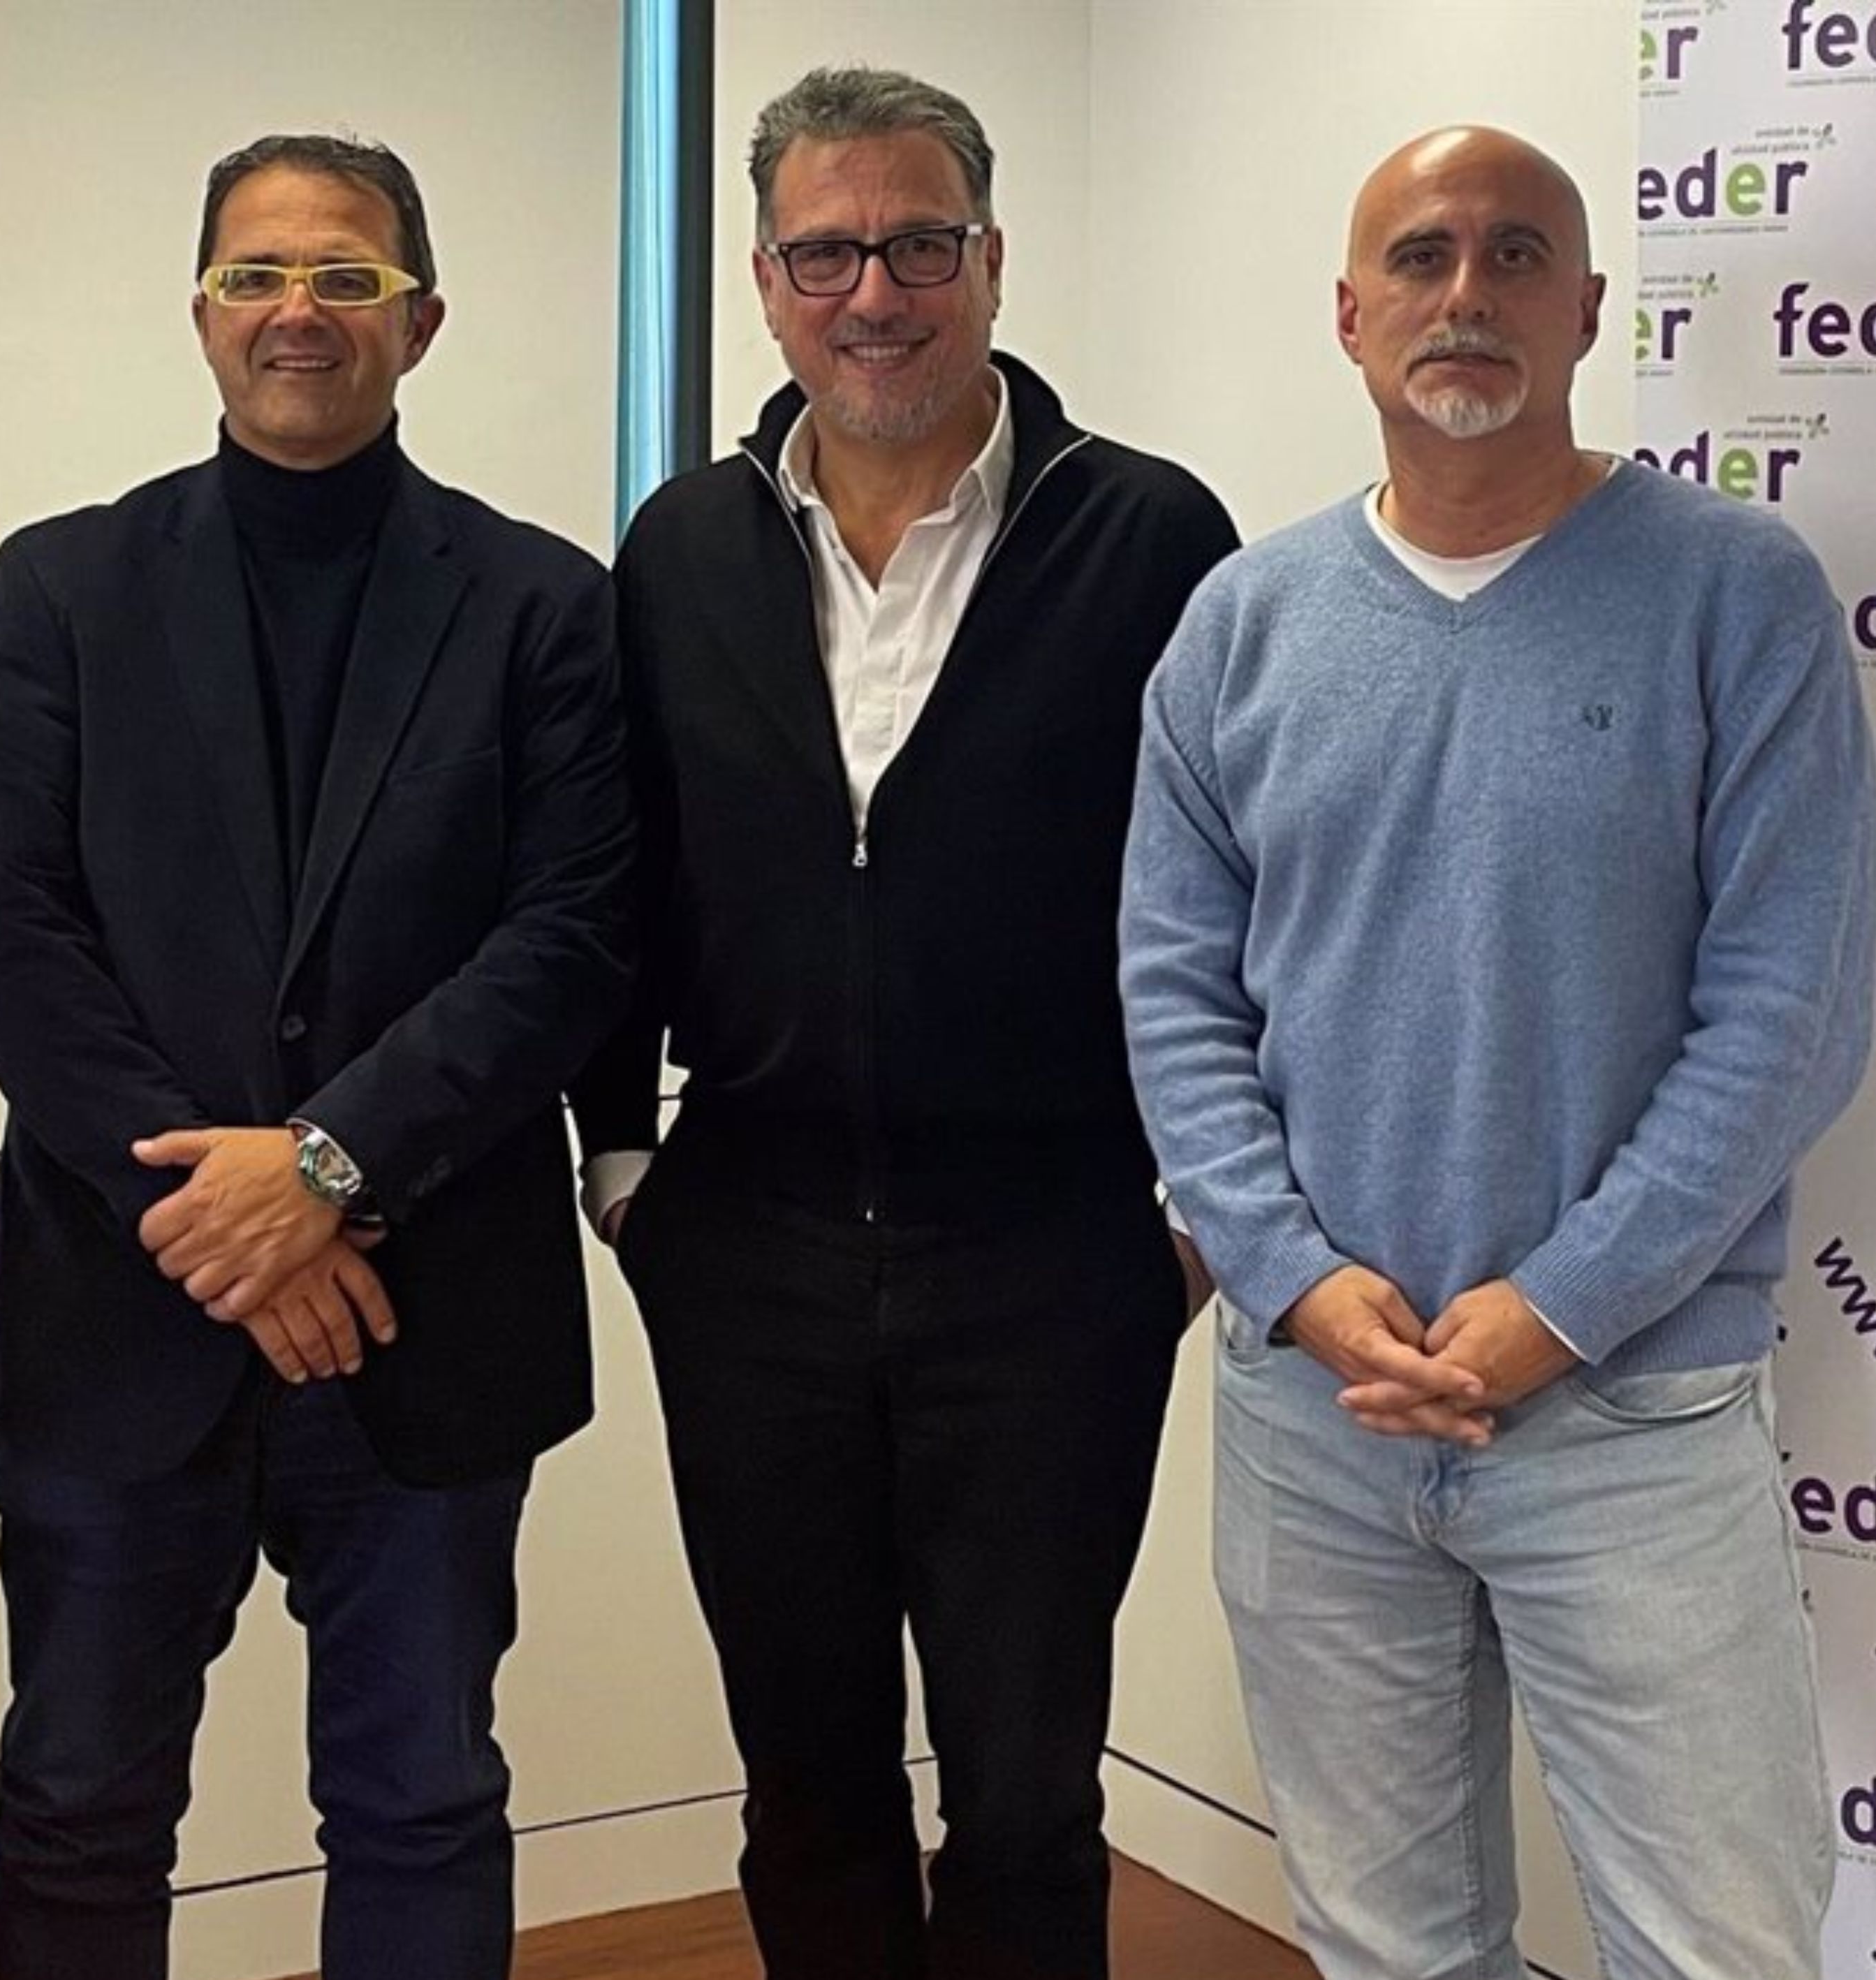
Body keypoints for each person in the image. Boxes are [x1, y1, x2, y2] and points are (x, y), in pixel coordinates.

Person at [1122, 126, 1876, 1980]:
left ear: (1590, 305)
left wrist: (1561, 1302)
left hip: (1631, 1410)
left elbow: (1790, 1011)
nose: (1469, 294)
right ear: (1353, 313)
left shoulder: (1735, 591)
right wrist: (1296, 1284)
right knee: (1386, 1940)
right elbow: (1174, 988)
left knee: (1722, 1947)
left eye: (1518, 254)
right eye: (1427, 256)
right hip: (1320, 1414)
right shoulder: (1244, 624)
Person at [0, 133, 633, 1980]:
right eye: (257, 276)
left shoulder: (545, 604)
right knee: (77, 1804)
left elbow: (570, 935)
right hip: (117, 1310)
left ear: (422, 319)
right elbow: (12, 931)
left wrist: (323, 1168)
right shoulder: (66, 584)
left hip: (427, 1324)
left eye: (344, 276)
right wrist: (219, 1211)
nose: (298, 311)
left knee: (420, 1801)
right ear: (201, 314)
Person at [573, 65, 1237, 1979]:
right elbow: (611, 875)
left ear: (991, 259)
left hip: (1056, 1254)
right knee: (806, 1771)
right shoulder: (681, 548)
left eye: (920, 243)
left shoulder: (1154, 538)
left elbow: (1247, 893)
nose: (878, 291)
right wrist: (623, 1161)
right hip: (753, 1245)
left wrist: (1191, 1210)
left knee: (1027, 1787)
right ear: (767, 280)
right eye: (828, 250)